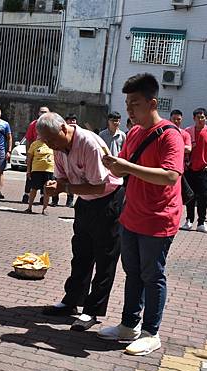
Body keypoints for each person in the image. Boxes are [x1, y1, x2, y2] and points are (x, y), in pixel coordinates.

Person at [97, 73, 184, 356]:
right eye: (127, 103)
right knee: (132, 272)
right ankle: (128, 325)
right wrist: (112, 165)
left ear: (152, 103)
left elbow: (170, 176)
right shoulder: (134, 133)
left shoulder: (171, 135)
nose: (129, 110)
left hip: (158, 219)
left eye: (134, 103)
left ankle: (151, 333)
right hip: (131, 215)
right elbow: (123, 170)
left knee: (152, 275)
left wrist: (126, 167)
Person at [38, 112, 124, 332]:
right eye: (46, 141)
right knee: (81, 253)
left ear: (64, 129)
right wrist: (55, 186)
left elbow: (99, 186)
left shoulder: (89, 144)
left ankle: (92, 310)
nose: (50, 145)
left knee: (105, 258)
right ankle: (72, 300)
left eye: (52, 140)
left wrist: (64, 188)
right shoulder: (57, 146)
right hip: (85, 201)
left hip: (108, 200)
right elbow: (62, 178)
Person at [22, 106, 50, 204]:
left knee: (46, 178)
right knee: (30, 176)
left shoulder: (51, 125)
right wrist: (27, 155)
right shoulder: (33, 124)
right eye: (41, 112)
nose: (43, 114)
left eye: (45, 112)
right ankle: (26, 195)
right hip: (35, 153)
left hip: (47, 156)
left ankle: (43, 197)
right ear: (38, 113)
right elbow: (28, 140)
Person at [51, 113, 78, 208]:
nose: (72, 122)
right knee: (58, 180)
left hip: (72, 164)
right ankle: (54, 200)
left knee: (71, 182)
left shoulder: (78, 135)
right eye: (70, 120)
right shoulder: (60, 133)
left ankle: (69, 201)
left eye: (74, 120)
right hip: (61, 162)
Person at [24, 134, 54, 215]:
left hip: (49, 170)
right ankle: (29, 207)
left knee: (46, 190)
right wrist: (28, 171)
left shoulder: (52, 143)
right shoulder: (35, 144)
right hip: (36, 170)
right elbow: (29, 159)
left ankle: (45, 208)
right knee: (33, 189)